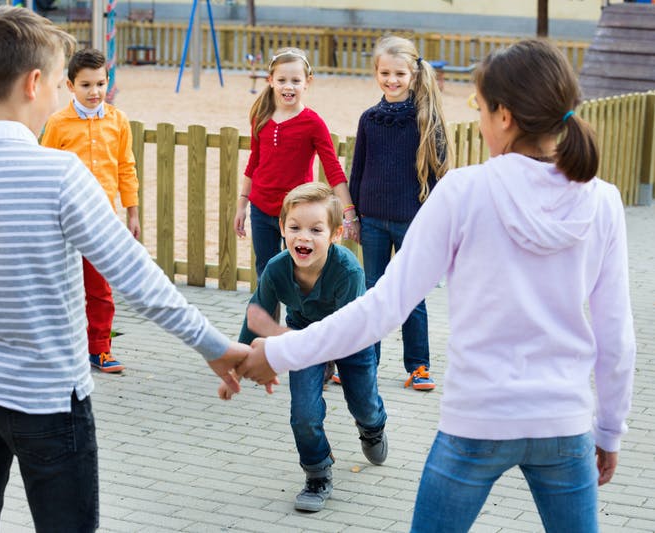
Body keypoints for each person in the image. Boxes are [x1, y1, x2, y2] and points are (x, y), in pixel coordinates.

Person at [240, 39, 636, 532]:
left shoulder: (464, 192)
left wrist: (280, 352)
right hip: (564, 424)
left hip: (476, 423)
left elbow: (382, 308)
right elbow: (616, 338)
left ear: (505, 116)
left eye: (480, 106)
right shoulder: (602, 201)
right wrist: (609, 430)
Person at [0, 7, 247, 532]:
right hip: (49, 403)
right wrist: (216, 346)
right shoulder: (60, 173)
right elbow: (136, 277)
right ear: (36, 81)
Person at [221, 182, 387, 513]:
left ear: (336, 234)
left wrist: (355, 363)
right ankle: (317, 472)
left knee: (364, 404)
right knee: (304, 414)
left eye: (316, 229)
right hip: (302, 337)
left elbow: (348, 331)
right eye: (294, 227)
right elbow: (258, 313)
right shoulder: (277, 268)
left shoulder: (348, 271)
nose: (303, 237)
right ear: (282, 228)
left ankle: (373, 428)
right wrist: (236, 364)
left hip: (351, 339)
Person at [346, 35, 452, 391]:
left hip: (413, 223)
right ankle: (366, 363)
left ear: (413, 75)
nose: (392, 80)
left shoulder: (426, 120)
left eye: (399, 74)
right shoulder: (369, 120)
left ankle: (418, 366)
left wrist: (435, 225)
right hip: (373, 221)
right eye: (385, 73)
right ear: (376, 72)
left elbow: (438, 179)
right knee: (373, 292)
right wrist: (354, 217)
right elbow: (357, 170)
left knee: (411, 295)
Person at [41, 48, 138, 374]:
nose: (94, 92)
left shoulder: (118, 121)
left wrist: (132, 211)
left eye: (100, 83)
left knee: (101, 290)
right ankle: (61, 349)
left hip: (102, 222)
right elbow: (45, 169)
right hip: (64, 221)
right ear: (70, 86)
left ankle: (99, 349)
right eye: (86, 85)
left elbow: (126, 167)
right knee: (62, 288)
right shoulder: (57, 123)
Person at [233, 47, 360, 281]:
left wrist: (349, 211)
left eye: (295, 80)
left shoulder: (313, 123)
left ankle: (297, 319)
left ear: (307, 83)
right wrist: (242, 204)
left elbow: (333, 169)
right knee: (266, 273)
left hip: (297, 211)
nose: (288, 86)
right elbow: (254, 163)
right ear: (270, 81)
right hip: (261, 209)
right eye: (281, 80)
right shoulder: (260, 117)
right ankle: (268, 318)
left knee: (299, 274)